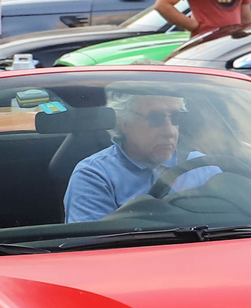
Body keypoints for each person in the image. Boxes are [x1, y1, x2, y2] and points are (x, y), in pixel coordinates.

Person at [63, 90, 220, 221]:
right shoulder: (95, 176)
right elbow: (94, 250)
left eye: (176, 117)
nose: (170, 131)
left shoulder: (203, 167)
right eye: (155, 118)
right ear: (124, 123)